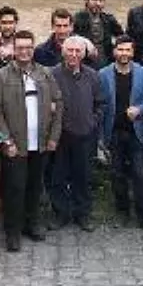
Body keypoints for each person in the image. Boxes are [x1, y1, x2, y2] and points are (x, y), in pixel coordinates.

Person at [0, 30, 62, 251]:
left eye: (28, 47)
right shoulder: (1, 76)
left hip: (39, 143)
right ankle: (12, 232)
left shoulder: (45, 74)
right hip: (15, 146)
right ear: (13, 49)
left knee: (34, 187)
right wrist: (6, 142)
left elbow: (58, 104)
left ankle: (32, 224)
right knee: (14, 189)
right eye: (19, 47)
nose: (24, 51)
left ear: (33, 49)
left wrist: (53, 137)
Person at [49, 36, 105, 231]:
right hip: (59, 136)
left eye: (77, 51)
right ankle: (60, 213)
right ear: (63, 51)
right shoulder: (52, 74)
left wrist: (93, 122)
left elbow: (100, 103)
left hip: (85, 135)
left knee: (83, 176)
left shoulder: (92, 75)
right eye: (70, 50)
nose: (73, 54)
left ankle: (83, 215)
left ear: (83, 54)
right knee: (58, 176)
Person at [98, 36, 143, 232]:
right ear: (114, 52)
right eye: (120, 50)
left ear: (133, 52)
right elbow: (100, 105)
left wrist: (140, 109)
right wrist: (100, 137)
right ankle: (122, 212)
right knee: (117, 174)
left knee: (140, 173)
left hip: (136, 132)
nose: (124, 54)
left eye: (127, 50)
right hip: (113, 132)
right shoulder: (103, 74)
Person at [72, 0, 124, 68]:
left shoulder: (109, 19)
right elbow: (69, 38)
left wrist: (117, 50)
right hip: (84, 60)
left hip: (106, 59)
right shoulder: (77, 18)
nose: (98, 3)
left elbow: (122, 37)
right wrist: (85, 42)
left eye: (101, 0)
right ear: (86, 0)